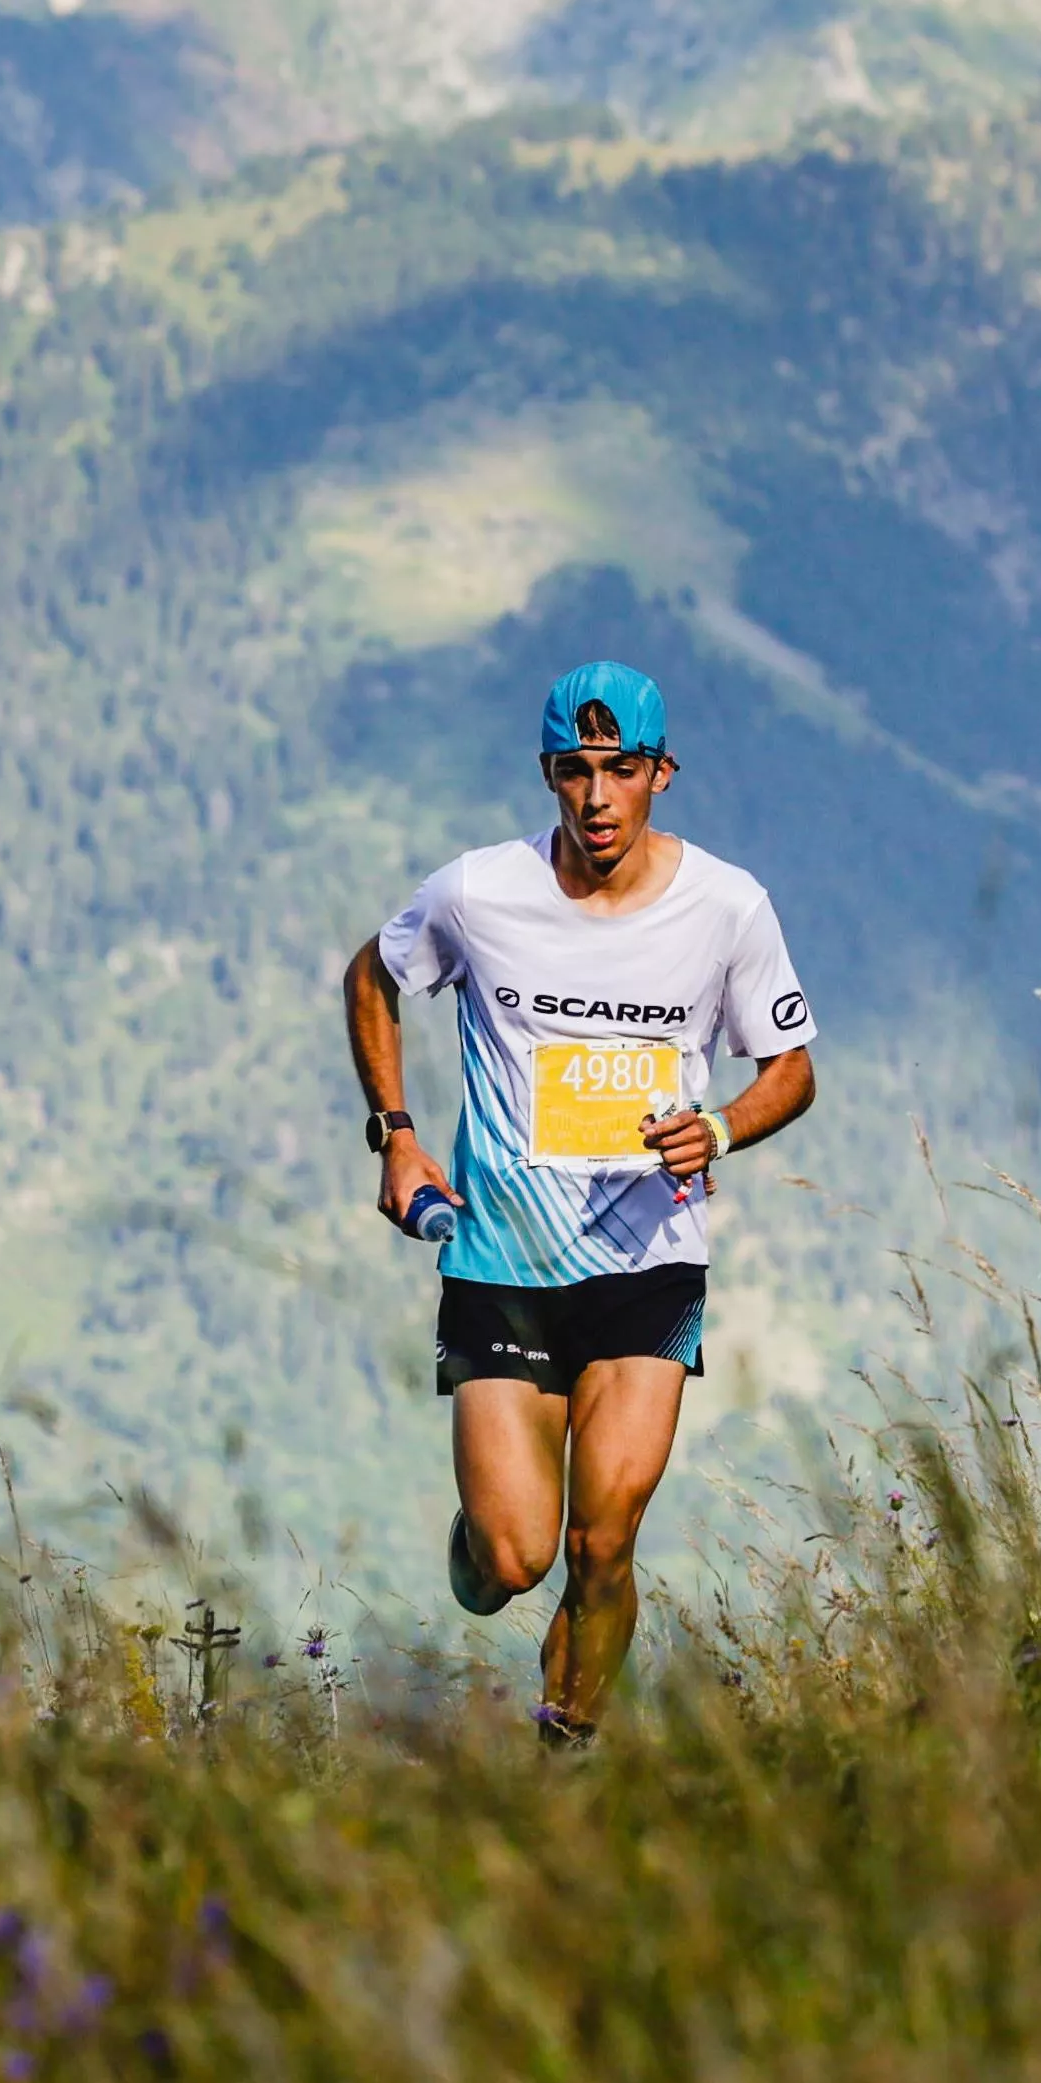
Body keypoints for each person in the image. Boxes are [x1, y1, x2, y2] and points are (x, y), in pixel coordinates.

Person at [342, 656, 818, 1740]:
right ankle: (478, 1547)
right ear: (546, 774)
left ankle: (565, 1763)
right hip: (502, 1265)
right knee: (518, 1556)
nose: (596, 797)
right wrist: (396, 1137)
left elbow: (789, 1066)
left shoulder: (727, 906)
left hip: (648, 1266)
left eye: (620, 769)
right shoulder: (478, 892)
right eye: (573, 770)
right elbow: (370, 974)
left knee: (603, 1543)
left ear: (662, 773)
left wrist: (724, 1126)